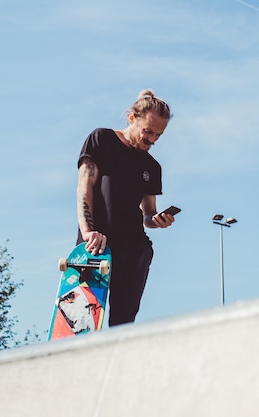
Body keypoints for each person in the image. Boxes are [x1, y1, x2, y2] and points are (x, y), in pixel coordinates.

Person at [76, 89, 175, 326]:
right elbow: (84, 186)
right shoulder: (102, 140)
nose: (151, 140)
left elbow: (148, 215)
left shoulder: (152, 167)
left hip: (133, 251)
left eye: (158, 135)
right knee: (82, 320)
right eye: (148, 132)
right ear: (132, 118)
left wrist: (158, 220)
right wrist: (88, 231)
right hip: (95, 246)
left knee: (123, 323)